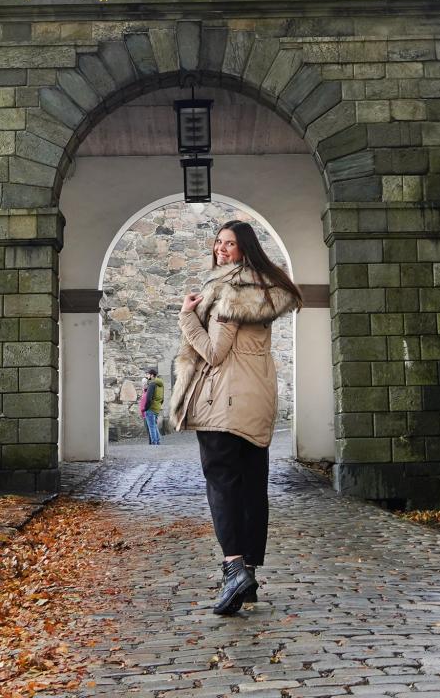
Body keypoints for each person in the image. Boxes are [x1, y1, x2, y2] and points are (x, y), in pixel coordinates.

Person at [167, 219, 301, 616]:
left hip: (221, 401)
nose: (221, 249)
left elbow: (214, 353)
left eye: (230, 244)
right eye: (219, 242)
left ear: (244, 250)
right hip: (256, 398)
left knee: (222, 485)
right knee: (250, 486)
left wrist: (187, 317)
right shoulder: (264, 288)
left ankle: (233, 569)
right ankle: (250, 578)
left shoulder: (228, 291)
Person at [138, 365, 165, 445]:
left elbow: (149, 398)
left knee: (151, 427)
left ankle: (154, 443)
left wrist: (146, 408)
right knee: (154, 426)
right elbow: (162, 398)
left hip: (151, 408)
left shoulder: (152, 384)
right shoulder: (160, 384)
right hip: (157, 408)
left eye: (148, 374)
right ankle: (158, 441)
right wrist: (158, 405)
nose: (147, 376)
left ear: (152, 375)